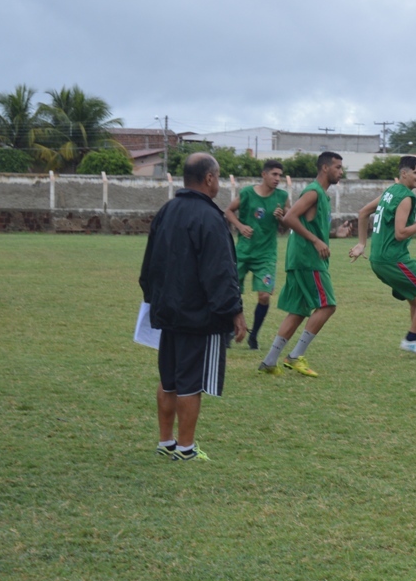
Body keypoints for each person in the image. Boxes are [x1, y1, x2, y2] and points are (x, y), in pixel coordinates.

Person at [139, 152, 247, 462]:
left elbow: (149, 265)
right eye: (220, 176)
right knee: (191, 383)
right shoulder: (210, 218)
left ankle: (166, 441)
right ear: (209, 178)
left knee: (169, 379)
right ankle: (185, 448)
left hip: (167, 312)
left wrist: (153, 301)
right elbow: (221, 272)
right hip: (199, 316)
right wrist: (234, 311)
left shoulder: (166, 211)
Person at [257, 152, 344, 378]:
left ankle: (269, 361)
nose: (341, 172)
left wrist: (334, 234)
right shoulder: (314, 191)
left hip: (302, 258)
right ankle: (295, 356)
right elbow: (290, 218)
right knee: (327, 305)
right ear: (325, 168)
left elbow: (312, 227)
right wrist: (316, 241)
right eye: (337, 167)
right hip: (308, 260)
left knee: (298, 311)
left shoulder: (322, 195)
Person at [349, 155, 416, 359]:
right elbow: (400, 233)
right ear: (404, 173)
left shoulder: (390, 191)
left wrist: (362, 244)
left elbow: (363, 212)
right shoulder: (406, 197)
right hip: (393, 259)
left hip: (379, 259)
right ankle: (411, 339)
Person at [224, 159, 289, 351]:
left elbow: (290, 223)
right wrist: (240, 226)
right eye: (274, 174)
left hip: (266, 255)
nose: (278, 179)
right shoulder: (246, 193)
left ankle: (254, 336)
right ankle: (230, 331)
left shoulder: (282, 197)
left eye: (280, 175)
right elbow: (228, 211)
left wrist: (281, 218)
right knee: (233, 292)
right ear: (264, 174)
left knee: (264, 296)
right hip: (243, 252)